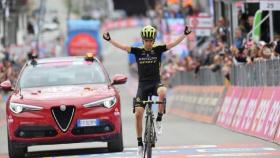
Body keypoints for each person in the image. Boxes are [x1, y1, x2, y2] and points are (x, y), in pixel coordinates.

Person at [103, 25, 191, 157]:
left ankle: (159, 120)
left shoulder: (158, 50)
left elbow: (173, 44)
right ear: (143, 40)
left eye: (151, 40)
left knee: (163, 92)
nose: (148, 43)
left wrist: (184, 34)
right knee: (138, 114)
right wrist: (110, 40)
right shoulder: (138, 51)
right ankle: (139, 144)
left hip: (155, 83)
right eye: (146, 40)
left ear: (154, 40)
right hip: (143, 86)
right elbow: (123, 47)